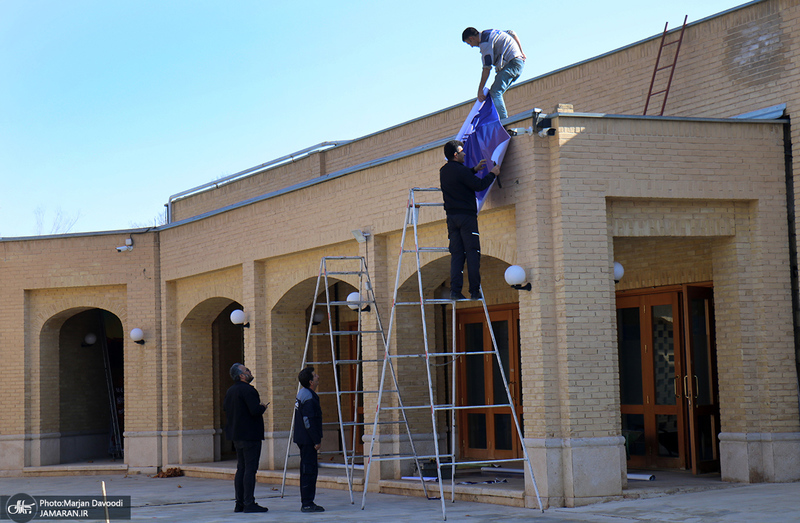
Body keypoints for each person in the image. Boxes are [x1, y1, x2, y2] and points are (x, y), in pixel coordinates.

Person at [439, 139, 500, 301]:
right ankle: (474, 291)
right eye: (461, 151)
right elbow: (479, 185)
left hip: (452, 219)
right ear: (455, 154)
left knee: (457, 254)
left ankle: (455, 291)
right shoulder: (462, 171)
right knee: (473, 253)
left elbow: (460, 177)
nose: (464, 153)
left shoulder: (443, 171)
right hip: (466, 218)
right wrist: (493, 173)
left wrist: (473, 170)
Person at [223, 363, 269, 513]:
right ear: (241, 375)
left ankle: (240, 503)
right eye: (247, 370)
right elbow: (255, 410)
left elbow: (226, 408)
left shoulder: (230, 391)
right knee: (250, 469)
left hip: (237, 435)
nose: (249, 372)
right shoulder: (248, 390)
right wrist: (262, 407)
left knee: (241, 468)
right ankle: (249, 502)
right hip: (250, 435)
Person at [462, 27, 526, 120]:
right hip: (518, 62)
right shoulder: (489, 32)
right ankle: (499, 118)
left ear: (472, 38)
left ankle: (504, 121)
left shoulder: (485, 44)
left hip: (512, 64)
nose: (471, 46)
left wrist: (480, 90)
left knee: (495, 92)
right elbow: (512, 33)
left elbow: (486, 69)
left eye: (469, 43)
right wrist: (521, 52)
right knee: (495, 94)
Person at [293, 366, 325, 513]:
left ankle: (307, 501)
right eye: (315, 375)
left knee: (308, 470)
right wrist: (316, 440)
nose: (318, 377)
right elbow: (308, 421)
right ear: (311, 381)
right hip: (307, 440)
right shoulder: (309, 397)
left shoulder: (303, 394)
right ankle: (307, 503)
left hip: (302, 438)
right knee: (309, 471)